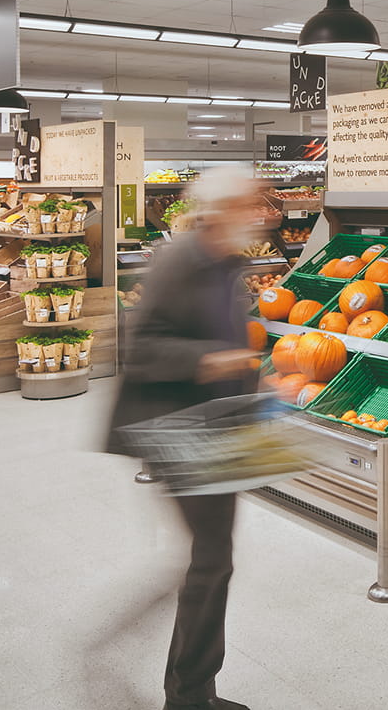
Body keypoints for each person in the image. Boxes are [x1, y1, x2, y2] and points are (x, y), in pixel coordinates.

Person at [105, 164, 268, 710]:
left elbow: (228, 337)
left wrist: (259, 383)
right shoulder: (181, 261)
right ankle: (191, 694)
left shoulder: (224, 262)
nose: (259, 213)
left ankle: (192, 688)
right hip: (174, 425)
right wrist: (210, 360)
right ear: (221, 211)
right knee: (212, 558)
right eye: (249, 204)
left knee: (212, 555)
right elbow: (142, 348)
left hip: (212, 422)